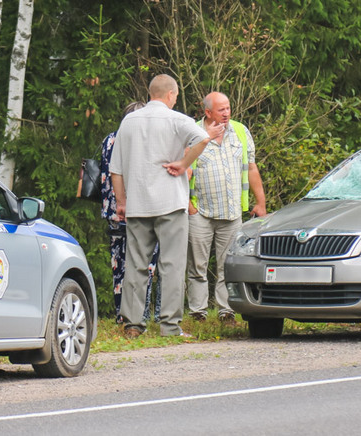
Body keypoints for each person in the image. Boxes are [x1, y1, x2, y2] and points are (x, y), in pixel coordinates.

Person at [109, 74, 215, 338]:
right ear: (170, 94)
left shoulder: (129, 121)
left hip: (138, 204)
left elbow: (116, 168)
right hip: (170, 203)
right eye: (176, 96)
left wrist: (121, 202)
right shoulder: (177, 119)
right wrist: (183, 163)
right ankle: (169, 326)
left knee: (135, 265)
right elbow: (203, 138)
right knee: (172, 266)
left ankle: (133, 324)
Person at [186, 91, 267, 324]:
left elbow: (251, 168)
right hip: (200, 211)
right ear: (207, 112)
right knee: (197, 266)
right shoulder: (193, 132)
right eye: (221, 109)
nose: (226, 113)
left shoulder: (240, 131)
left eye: (228, 108)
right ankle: (198, 312)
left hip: (232, 213)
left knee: (227, 265)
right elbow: (182, 168)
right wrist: (187, 205)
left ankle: (226, 311)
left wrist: (260, 202)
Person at [100, 102, 162, 324]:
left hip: (114, 210)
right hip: (137, 208)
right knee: (144, 263)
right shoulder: (139, 142)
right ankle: (139, 314)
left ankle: (121, 313)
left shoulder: (110, 139)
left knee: (119, 264)